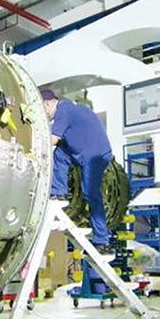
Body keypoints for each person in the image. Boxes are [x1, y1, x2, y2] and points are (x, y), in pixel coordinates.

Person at [41, 89, 114, 251]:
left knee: (90, 193)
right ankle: (58, 193)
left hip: (95, 155)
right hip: (83, 151)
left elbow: (51, 140)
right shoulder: (69, 108)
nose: (45, 115)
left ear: (47, 104)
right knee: (61, 153)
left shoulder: (63, 110)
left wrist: (32, 153)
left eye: (43, 110)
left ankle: (102, 241)